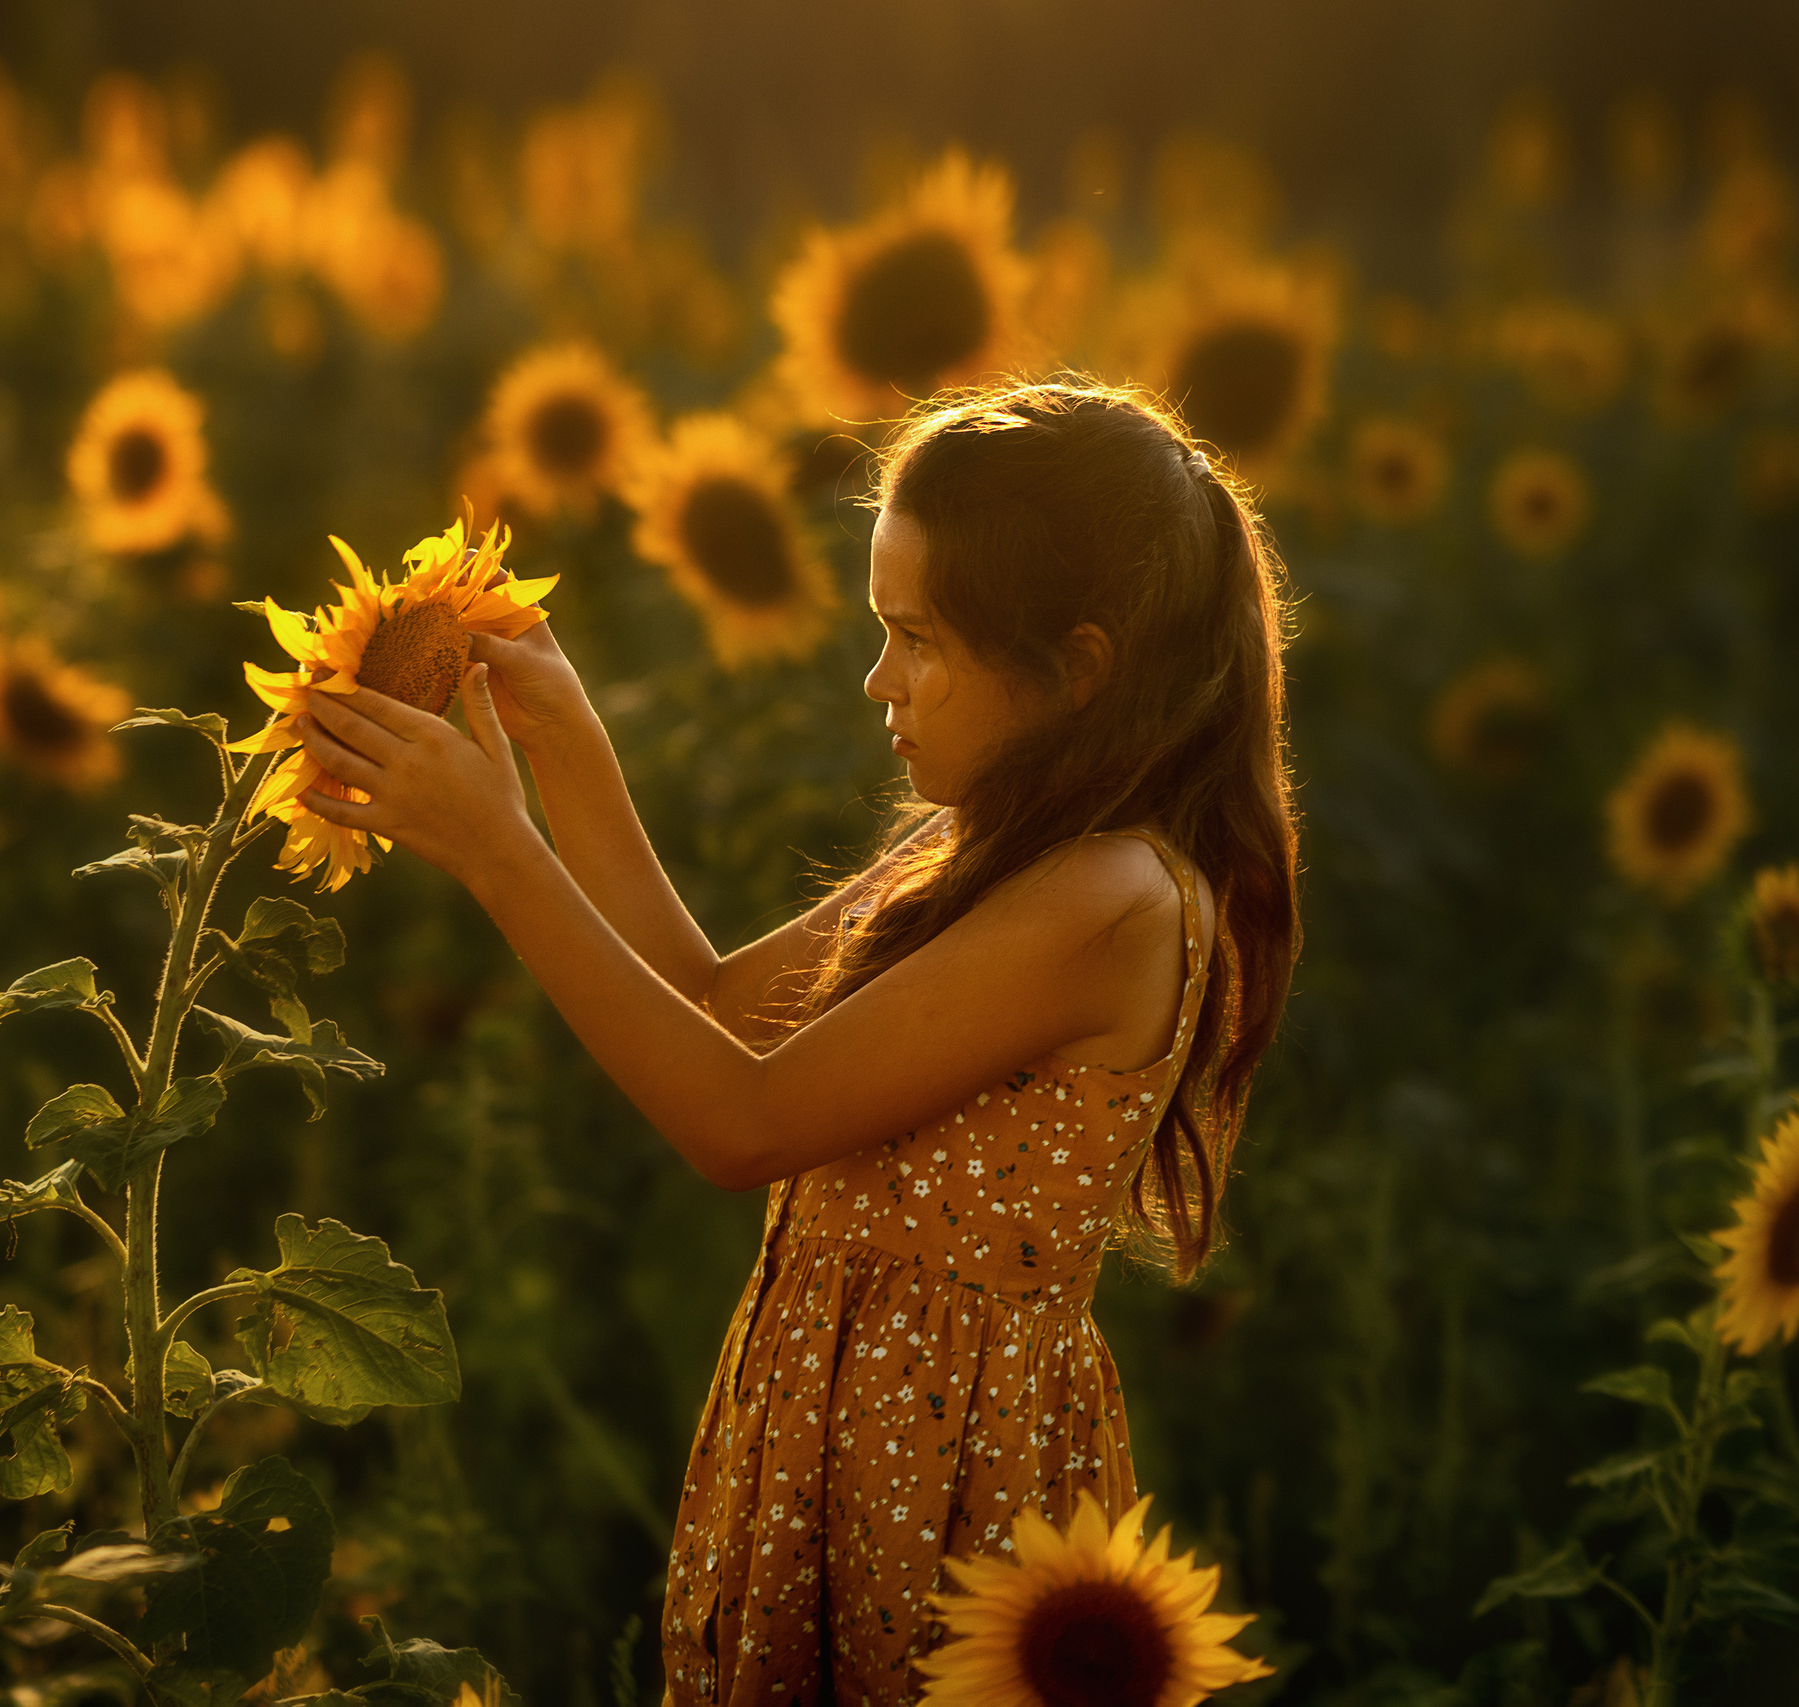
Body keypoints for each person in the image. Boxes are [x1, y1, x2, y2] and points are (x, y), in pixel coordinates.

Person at [288, 379, 1301, 1704]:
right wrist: (566, 747)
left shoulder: (1107, 900)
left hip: (946, 1477)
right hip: (825, 1428)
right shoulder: (985, 845)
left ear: (1080, 665)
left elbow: (741, 1124)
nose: (878, 679)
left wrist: (499, 849)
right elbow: (716, 1007)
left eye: (917, 638)